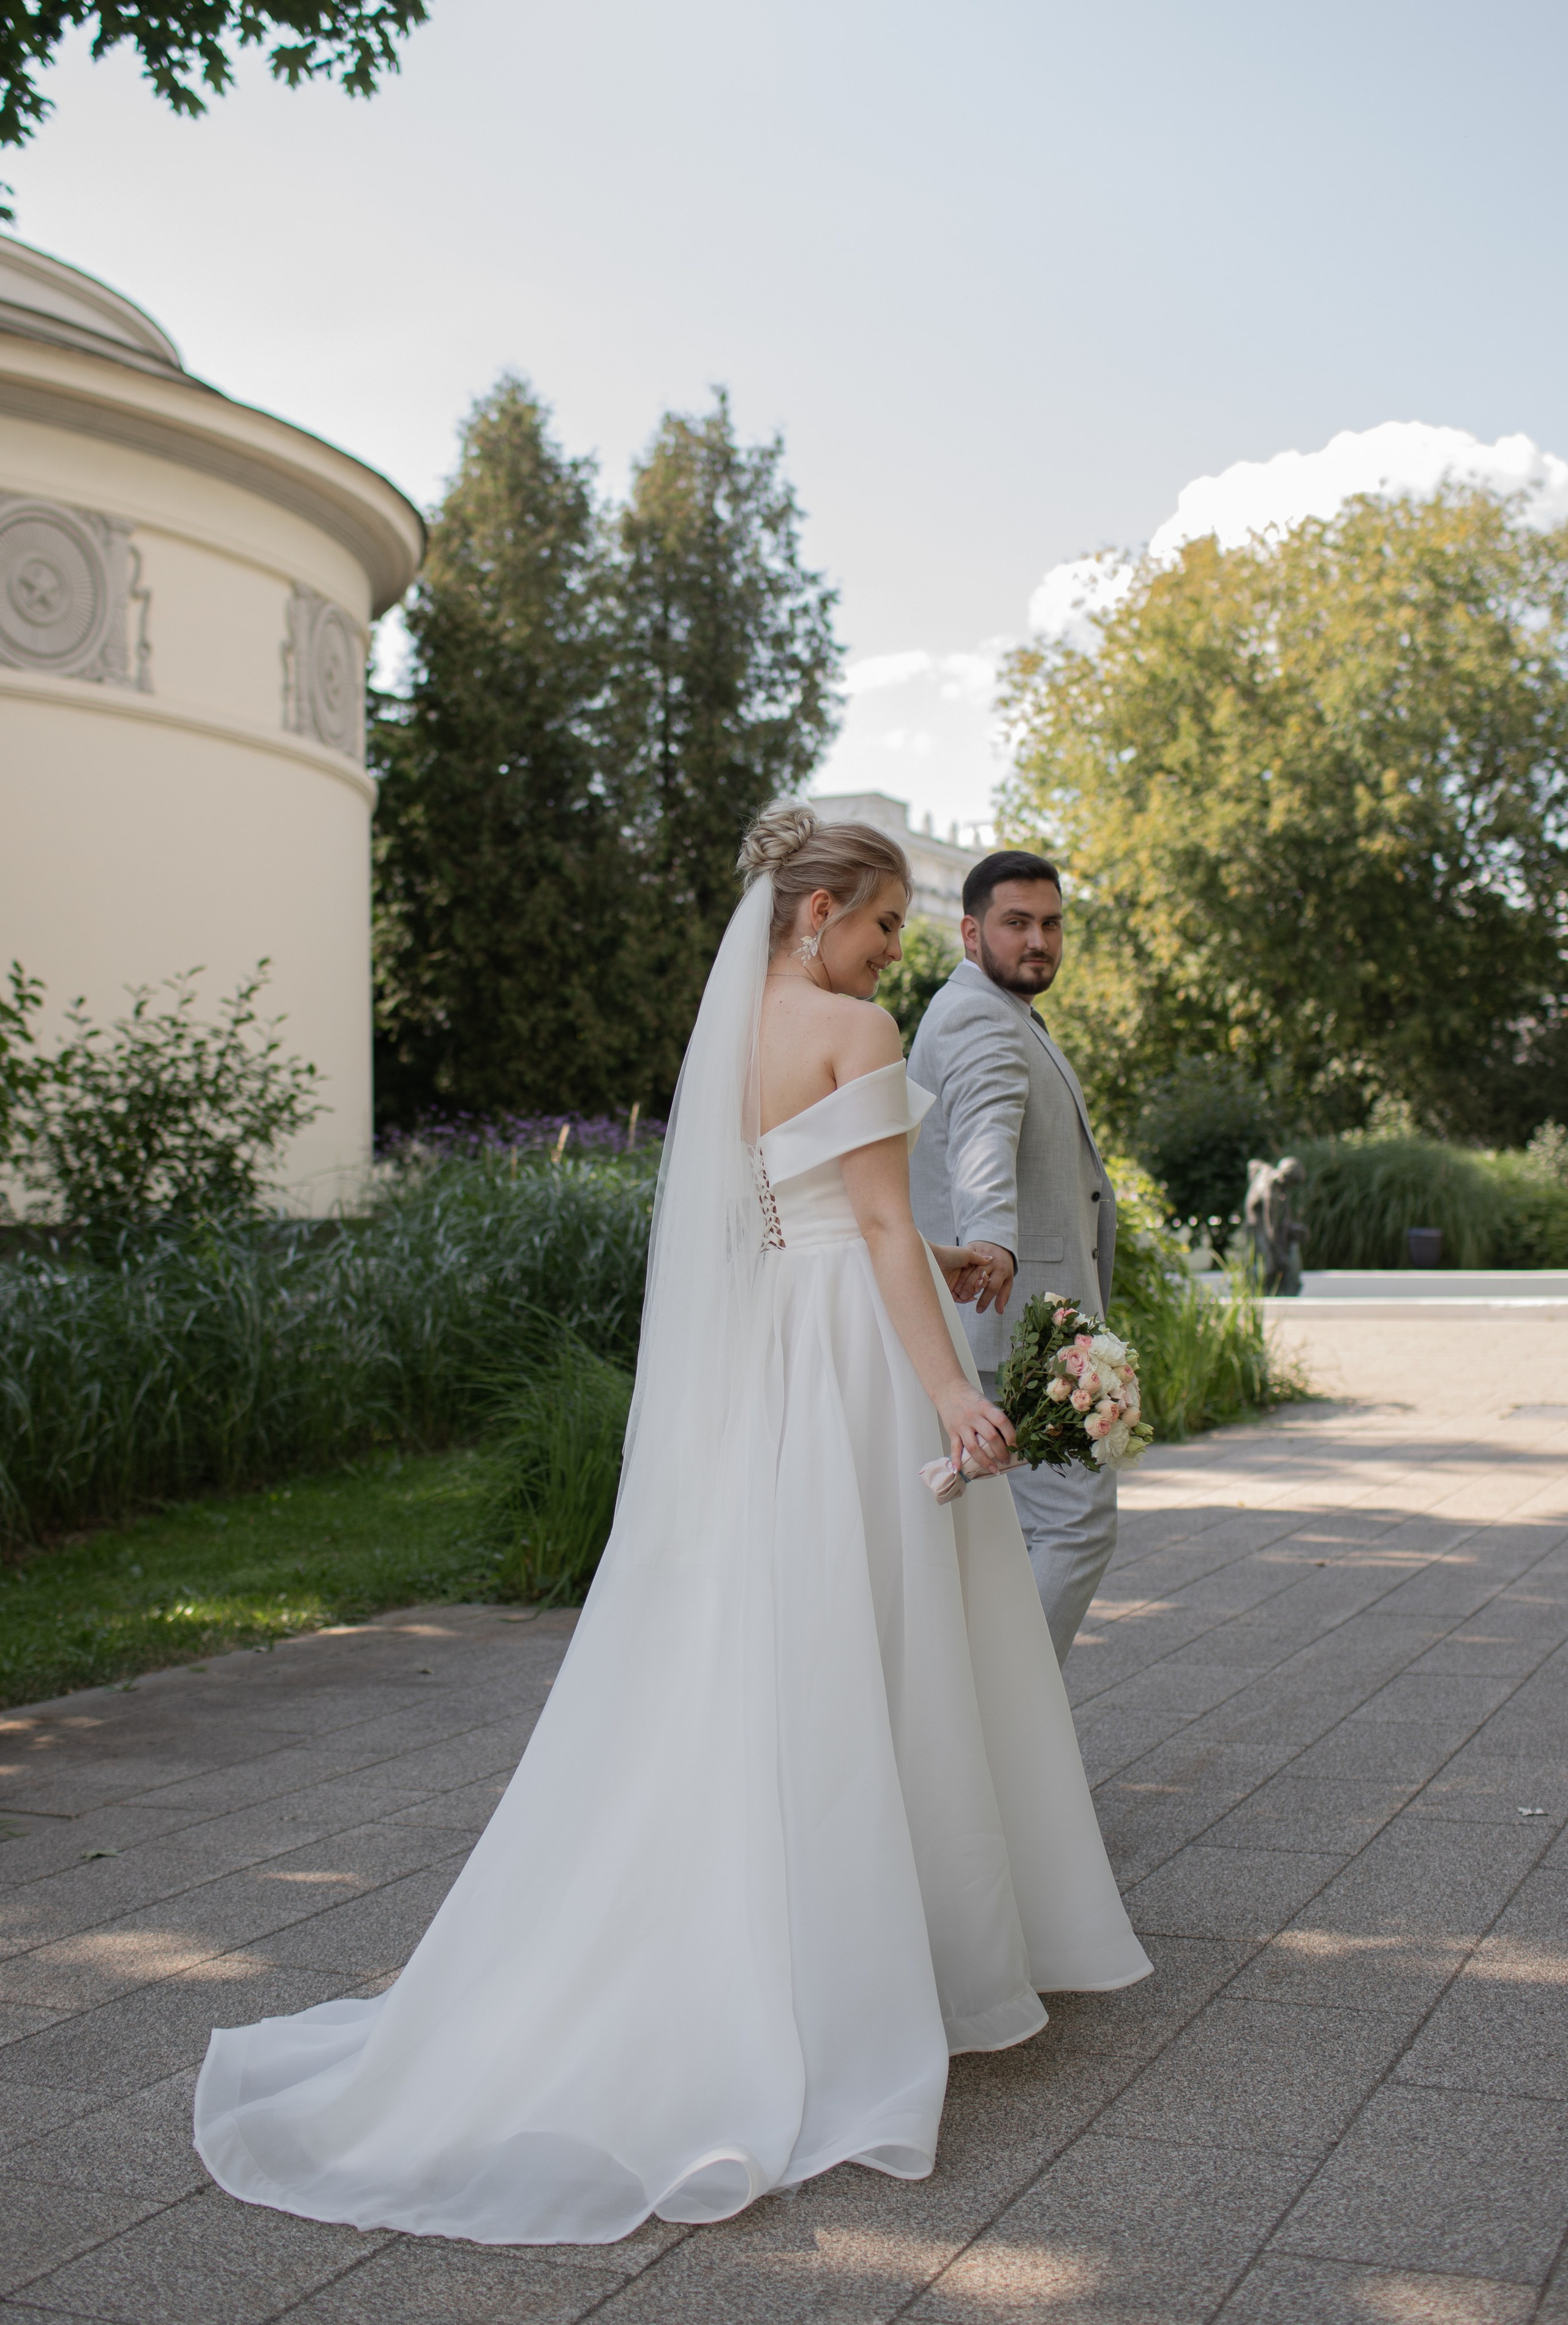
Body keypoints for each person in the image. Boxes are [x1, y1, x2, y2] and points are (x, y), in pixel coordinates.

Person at [194, 809, 1149, 2248]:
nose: (894, 952)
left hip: (773, 1353)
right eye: (884, 924)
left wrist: (940, 1255)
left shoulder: (738, 1033)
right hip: (854, 1367)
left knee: (776, 1631)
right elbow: (880, 1234)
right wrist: (950, 1387)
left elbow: (801, 1214)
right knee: (875, 1634)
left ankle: (790, 1932)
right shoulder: (858, 1031)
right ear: (818, 908)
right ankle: (876, 1966)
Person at [910, 850, 1119, 1664]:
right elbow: (985, 1143)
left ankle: (987, 1733)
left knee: (1011, 1536)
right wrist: (991, 1239)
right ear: (970, 932)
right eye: (1017, 923)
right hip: (1019, 1324)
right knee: (1076, 1523)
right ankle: (1008, 1725)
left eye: (1052, 924)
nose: (1040, 941)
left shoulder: (997, 1010)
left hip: (1020, 1319)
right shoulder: (979, 1019)